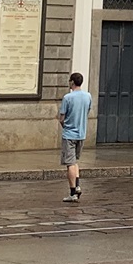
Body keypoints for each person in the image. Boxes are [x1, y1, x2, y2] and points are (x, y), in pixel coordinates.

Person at [60, 72, 93, 201]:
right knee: (75, 162)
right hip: (81, 133)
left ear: (72, 82)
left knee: (70, 163)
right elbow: (88, 111)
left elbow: (62, 117)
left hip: (69, 134)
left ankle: (73, 192)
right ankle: (78, 186)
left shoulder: (68, 97)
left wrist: (64, 125)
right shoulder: (88, 96)